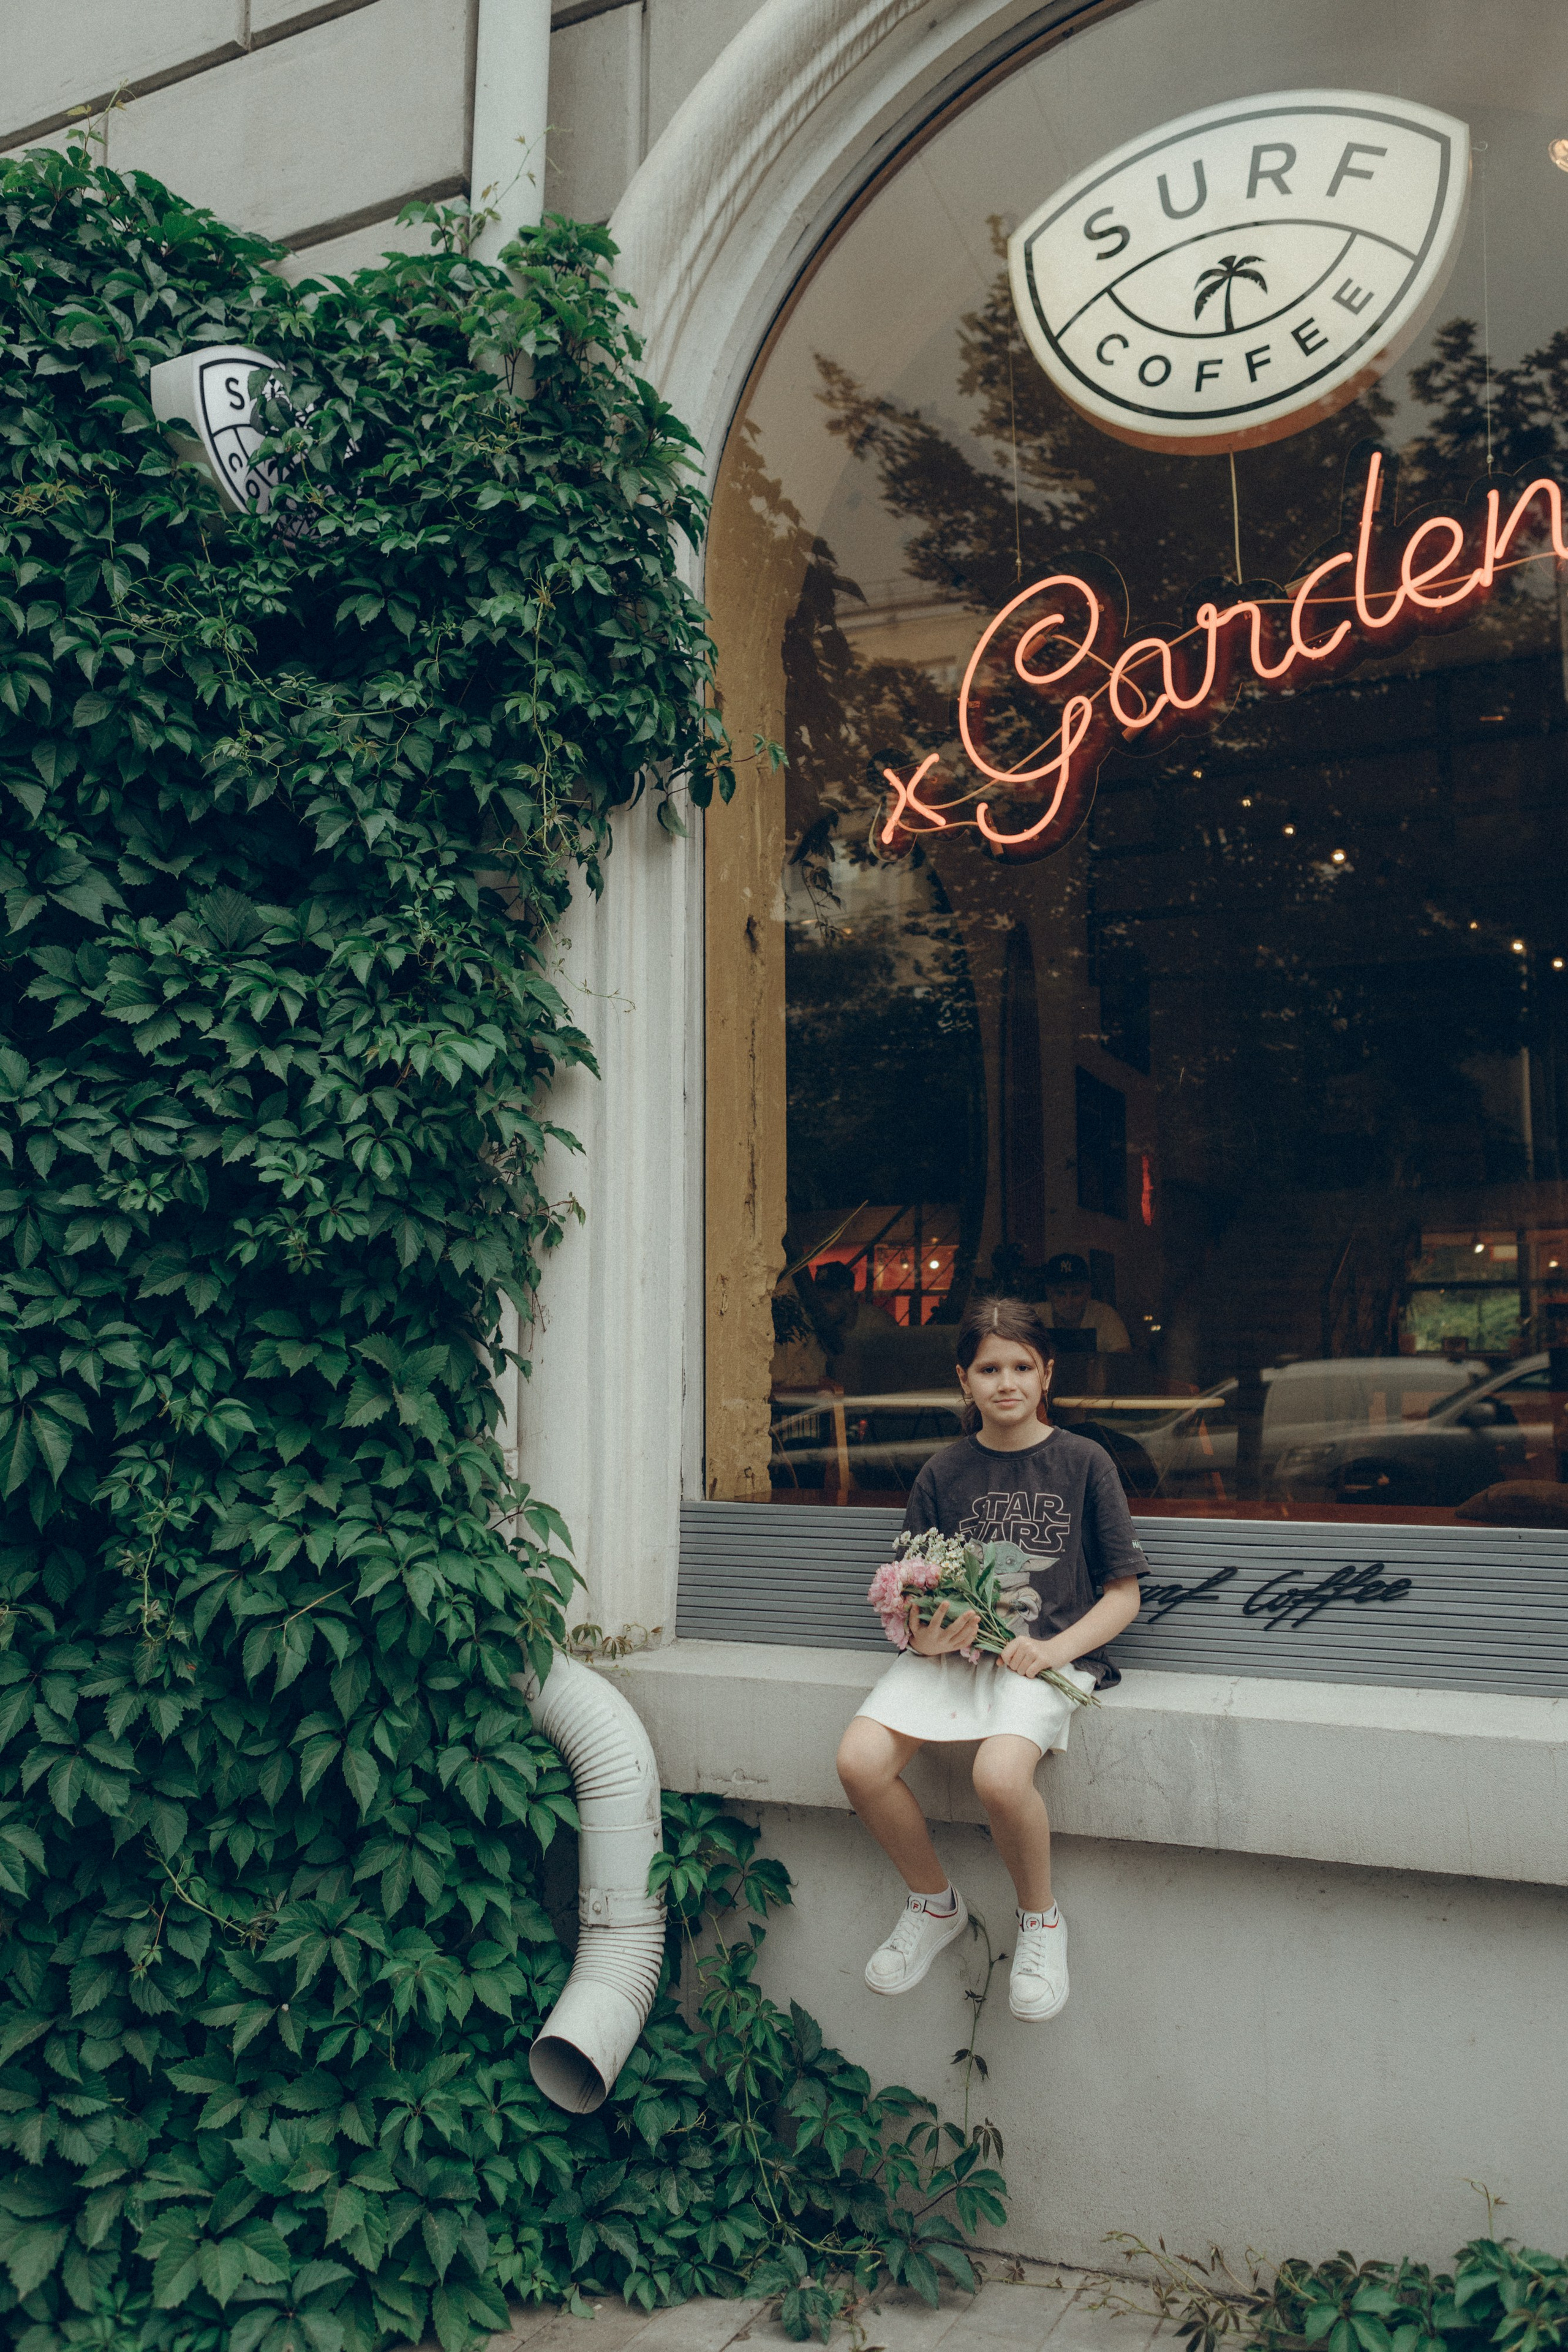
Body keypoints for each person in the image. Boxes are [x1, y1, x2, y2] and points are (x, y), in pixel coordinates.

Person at [835, 1297, 1145, 2022]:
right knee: (859, 1762)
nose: (1006, 1383)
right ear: (963, 1380)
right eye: (988, 1369)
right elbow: (913, 1598)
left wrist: (1055, 1650)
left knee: (999, 1777)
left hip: (1046, 1657)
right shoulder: (942, 1473)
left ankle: (1040, 1919)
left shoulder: (1084, 1462)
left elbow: (1123, 1595)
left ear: (1047, 1375)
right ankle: (933, 1904)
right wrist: (926, 1637)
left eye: (1021, 1367)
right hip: (955, 1660)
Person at [1042, 1252, 1131, 1352]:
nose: (1069, 1302)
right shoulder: (1034, 1317)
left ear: (1088, 1291)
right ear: (1048, 1293)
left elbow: (1124, 1357)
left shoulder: (1105, 1315)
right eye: (1060, 1293)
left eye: (1076, 1293)